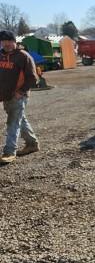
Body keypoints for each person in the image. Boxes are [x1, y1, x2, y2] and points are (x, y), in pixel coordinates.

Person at [0, 30, 40, 164]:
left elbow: (33, 78)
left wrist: (21, 91)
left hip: (18, 96)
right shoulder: (1, 56)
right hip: (5, 96)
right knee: (20, 120)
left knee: (13, 122)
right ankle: (32, 144)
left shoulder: (23, 56)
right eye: (4, 41)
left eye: (9, 41)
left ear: (14, 41)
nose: (7, 44)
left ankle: (9, 152)